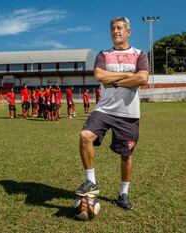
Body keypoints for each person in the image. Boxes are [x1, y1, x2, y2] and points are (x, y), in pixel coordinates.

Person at [75, 16, 149, 211]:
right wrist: (127, 76)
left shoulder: (139, 54)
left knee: (126, 155)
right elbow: (99, 76)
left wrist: (114, 80)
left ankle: (123, 193)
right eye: (112, 29)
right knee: (85, 136)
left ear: (128, 32)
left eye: (119, 28)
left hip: (129, 113)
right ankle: (91, 180)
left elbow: (142, 78)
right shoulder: (103, 54)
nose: (115, 31)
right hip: (104, 109)